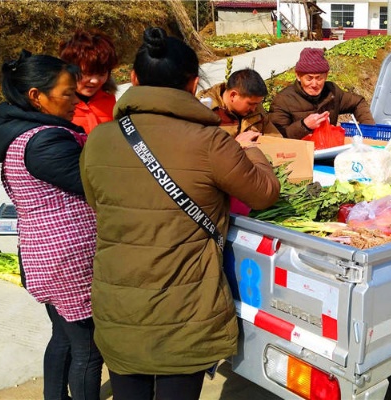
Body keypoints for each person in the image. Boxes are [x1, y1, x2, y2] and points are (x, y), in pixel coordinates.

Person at [79, 27, 280, 400]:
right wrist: (252, 151)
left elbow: (97, 203)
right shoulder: (211, 142)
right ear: (192, 85)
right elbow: (264, 193)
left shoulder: (99, 139)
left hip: (119, 299)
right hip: (186, 305)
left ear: (134, 79)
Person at [0, 50, 103, 400]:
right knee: (89, 349)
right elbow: (96, 186)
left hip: (45, 255)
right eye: (67, 93)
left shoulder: (22, 131)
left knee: (64, 338)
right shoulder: (45, 141)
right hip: (67, 262)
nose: (75, 100)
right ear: (36, 96)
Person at [269, 47, 375, 139]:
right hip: (299, 154)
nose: (314, 84)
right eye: (309, 78)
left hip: (328, 150)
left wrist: (369, 132)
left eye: (319, 78)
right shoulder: (283, 100)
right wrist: (304, 126)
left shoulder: (332, 91)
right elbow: (278, 137)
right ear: (298, 76)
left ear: (326, 76)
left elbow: (358, 102)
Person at [198, 68, 281, 146]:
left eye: (257, 103)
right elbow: (200, 151)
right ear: (233, 95)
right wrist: (236, 145)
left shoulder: (256, 109)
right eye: (250, 104)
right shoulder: (205, 111)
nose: (254, 109)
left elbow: (276, 139)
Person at [59, 29, 119, 135]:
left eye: (101, 74)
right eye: (87, 73)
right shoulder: (57, 104)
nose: (95, 81)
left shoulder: (110, 99)